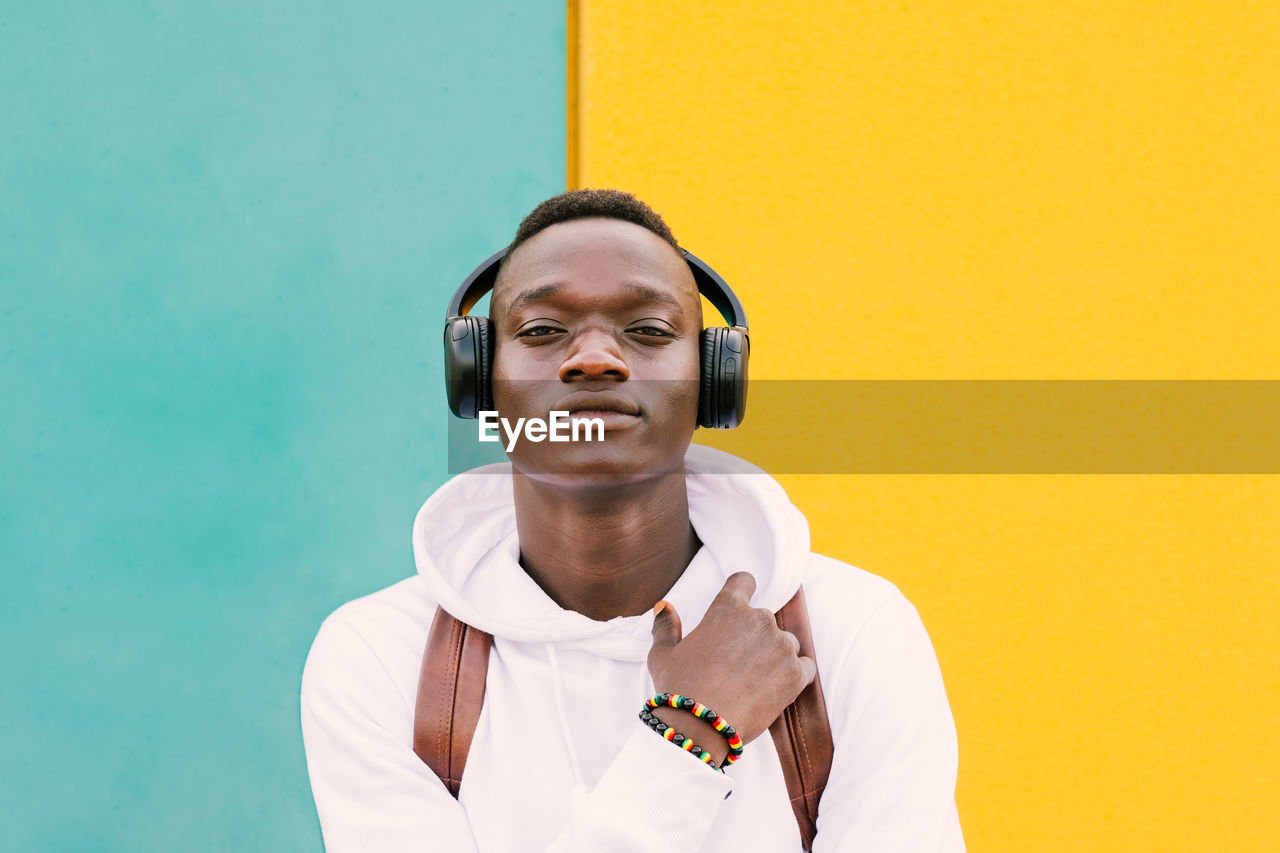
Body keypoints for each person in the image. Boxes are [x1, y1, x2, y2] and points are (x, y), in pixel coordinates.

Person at [301, 189, 965, 851]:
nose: (594, 359)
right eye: (541, 331)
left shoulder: (854, 634)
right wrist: (689, 737)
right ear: (478, 381)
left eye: (647, 330)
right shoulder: (379, 657)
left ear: (713, 381)